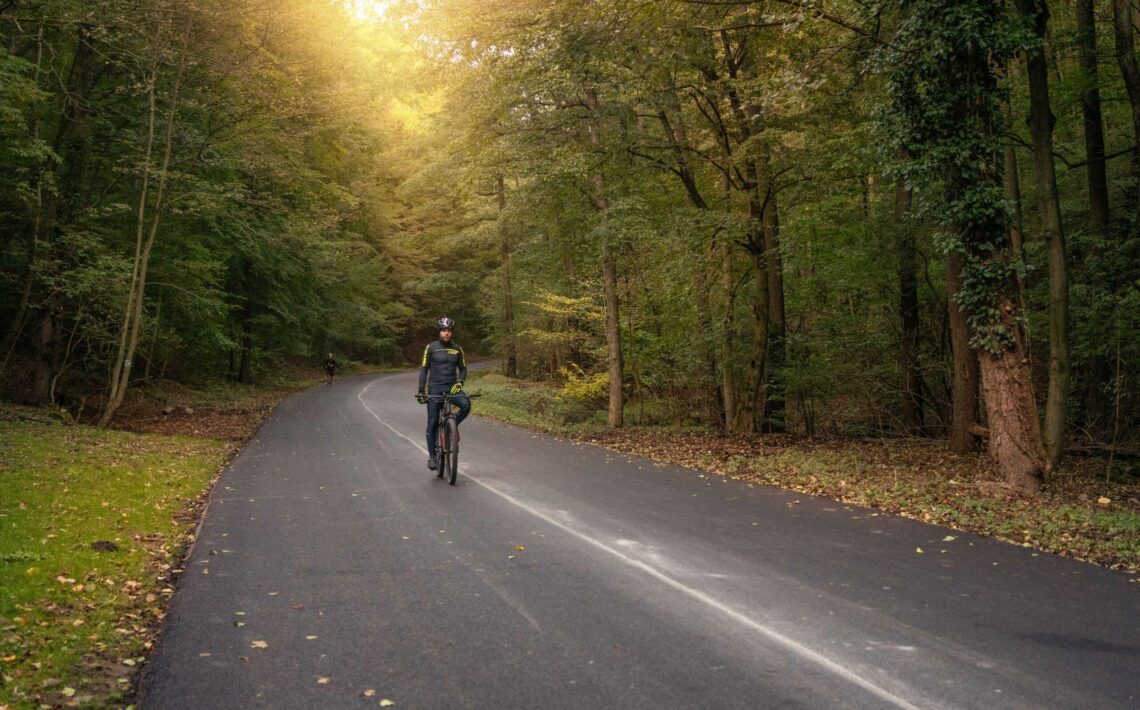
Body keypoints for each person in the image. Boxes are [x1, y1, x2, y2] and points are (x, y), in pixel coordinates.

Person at [416, 317, 470, 470]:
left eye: (449, 331)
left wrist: (460, 382)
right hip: (435, 388)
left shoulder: (457, 348)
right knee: (432, 422)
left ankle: (451, 426)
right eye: (444, 330)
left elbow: (464, 368)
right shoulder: (431, 348)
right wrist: (421, 389)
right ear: (439, 332)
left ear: (452, 332)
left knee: (466, 404)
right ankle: (432, 457)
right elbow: (424, 369)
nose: (446, 333)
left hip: (452, 387)